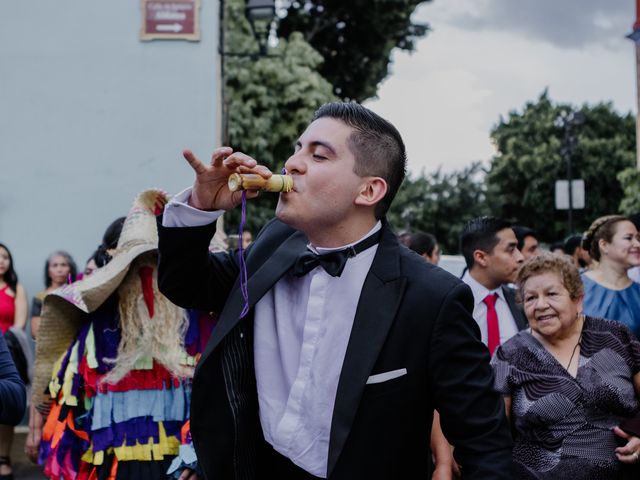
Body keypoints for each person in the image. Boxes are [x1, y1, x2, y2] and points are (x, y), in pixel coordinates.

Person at [157, 102, 513, 479]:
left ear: (370, 190)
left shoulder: (432, 297)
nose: (291, 164)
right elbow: (187, 284)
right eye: (296, 149)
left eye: (319, 155)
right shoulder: (273, 245)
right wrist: (200, 206)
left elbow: (483, 441)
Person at [29, 190, 205, 480]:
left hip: (182, 461)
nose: (146, 275)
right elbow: (64, 396)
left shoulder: (194, 321)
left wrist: (198, 452)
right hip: (111, 458)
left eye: (155, 260)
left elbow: (214, 395)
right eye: (137, 264)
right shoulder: (95, 325)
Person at [492, 252, 640, 478]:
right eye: (530, 298)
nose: (540, 305)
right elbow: (495, 435)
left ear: (577, 299)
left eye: (551, 294)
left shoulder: (615, 336)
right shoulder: (510, 355)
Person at [459, 217, 528, 354]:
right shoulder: (449, 303)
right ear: (481, 257)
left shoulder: (521, 300)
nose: (521, 257)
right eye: (511, 249)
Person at [581, 215, 640, 338]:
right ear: (604, 245)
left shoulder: (637, 292)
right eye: (628, 238)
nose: (637, 244)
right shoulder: (577, 286)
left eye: (638, 238)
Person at [0, 243, 29, 479]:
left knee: (7, 410)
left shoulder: (15, 288)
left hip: (7, 350)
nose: (1, 261)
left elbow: (19, 324)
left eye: (5, 257)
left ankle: (4, 457)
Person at [30, 251, 77, 339]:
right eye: (55, 265)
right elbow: (35, 332)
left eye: (63, 265)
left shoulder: (77, 294)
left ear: (70, 269)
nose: (59, 269)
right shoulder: (39, 297)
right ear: (48, 271)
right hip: (48, 347)